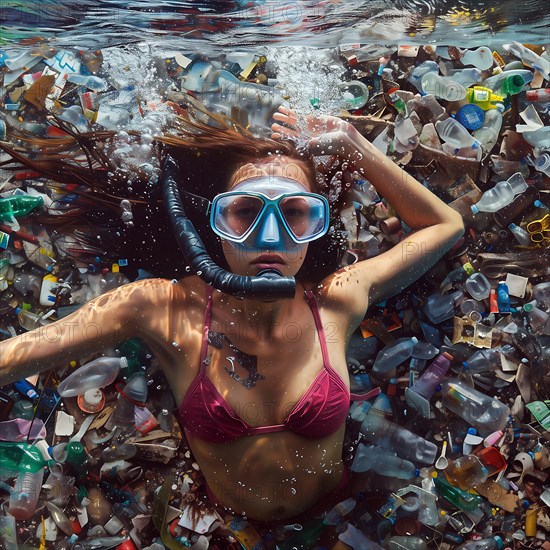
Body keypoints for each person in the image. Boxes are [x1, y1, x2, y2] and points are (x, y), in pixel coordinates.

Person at [0, 103, 464, 526]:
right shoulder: (162, 308)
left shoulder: (337, 300)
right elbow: (16, 355)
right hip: (228, 522)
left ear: (315, 228)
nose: (269, 237)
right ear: (215, 228)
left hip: (338, 513)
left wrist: (353, 144)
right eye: (244, 212)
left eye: (294, 213)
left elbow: (446, 225)